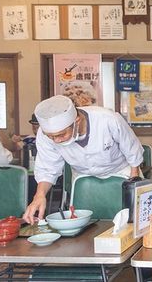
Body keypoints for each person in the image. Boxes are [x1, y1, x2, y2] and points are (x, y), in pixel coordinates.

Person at [22, 95, 144, 224]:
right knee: (84, 223)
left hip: (121, 172)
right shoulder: (45, 133)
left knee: (131, 219)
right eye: (51, 137)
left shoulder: (108, 119)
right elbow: (48, 169)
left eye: (61, 135)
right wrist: (39, 196)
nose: (56, 140)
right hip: (83, 177)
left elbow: (132, 150)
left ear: (77, 121)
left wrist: (133, 182)